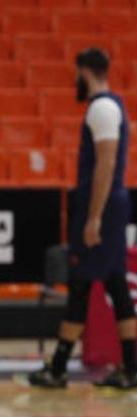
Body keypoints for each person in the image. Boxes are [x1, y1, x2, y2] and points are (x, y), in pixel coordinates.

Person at [28, 48, 137, 390]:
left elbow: (105, 165)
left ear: (84, 72)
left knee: (81, 284)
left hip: (101, 208)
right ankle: (130, 368)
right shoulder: (110, 107)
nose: (75, 81)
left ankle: (59, 367)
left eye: (76, 74)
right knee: (114, 284)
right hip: (109, 207)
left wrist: (93, 218)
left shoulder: (102, 108)